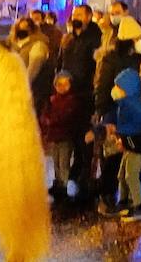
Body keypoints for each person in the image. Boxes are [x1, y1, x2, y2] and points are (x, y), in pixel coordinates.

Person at [93, 16, 141, 212]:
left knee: (131, 154)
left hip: (132, 112)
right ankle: (107, 195)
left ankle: (128, 195)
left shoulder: (138, 58)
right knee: (113, 155)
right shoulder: (111, 58)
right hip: (114, 111)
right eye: (137, 38)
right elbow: (102, 85)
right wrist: (102, 109)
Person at [58, 5, 102, 198]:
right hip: (69, 94)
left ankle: (86, 174)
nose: (75, 17)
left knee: (85, 136)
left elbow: (94, 65)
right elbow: (62, 62)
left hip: (85, 94)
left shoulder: (94, 37)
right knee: (74, 135)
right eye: (74, 14)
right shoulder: (69, 38)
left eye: (79, 14)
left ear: (89, 17)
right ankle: (75, 170)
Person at [101, 66, 141, 218]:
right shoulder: (124, 104)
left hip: (137, 147)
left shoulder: (136, 106)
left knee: (131, 175)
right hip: (130, 145)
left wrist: (119, 130)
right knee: (121, 174)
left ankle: (139, 205)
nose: (115, 90)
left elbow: (137, 124)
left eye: (119, 87)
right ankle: (123, 201)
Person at [39, 71, 87, 202]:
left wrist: (51, 120)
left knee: (63, 163)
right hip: (54, 137)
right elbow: (44, 114)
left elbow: (65, 116)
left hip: (65, 137)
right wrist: (46, 121)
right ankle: (58, 183)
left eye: (65, 84)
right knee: (56, 162)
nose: (62, 87)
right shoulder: (52, 100)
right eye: (59, 84)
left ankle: (65, 186)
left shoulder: (72, 101)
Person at [10, 16, 54, 113]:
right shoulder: (13, 44)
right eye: (20, 28)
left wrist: (22, 85)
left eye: (26, 28)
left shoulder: (38, 45)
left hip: (33, 90)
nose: (22, 30)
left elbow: (33, 69)